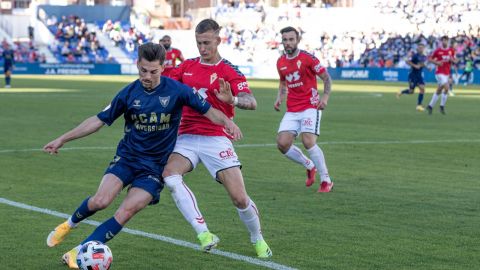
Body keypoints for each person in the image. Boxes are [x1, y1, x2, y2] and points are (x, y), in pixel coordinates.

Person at [43, 42, 242, 269]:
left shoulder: (178, 91)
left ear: (163, 67)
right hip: (127, 158)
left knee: (126, 211)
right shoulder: (128, 93)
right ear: (138, 65)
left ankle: (77, 253)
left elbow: (210, 112)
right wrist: (63, 138)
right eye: (143, 70)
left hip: (155, 167)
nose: (147, 76)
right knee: (101, 200)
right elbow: (98, 121)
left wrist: (227, 122)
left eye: (153, 71)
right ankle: (69, 224)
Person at [163, 19, 272, 258]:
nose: (203, 48)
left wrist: (232, 100)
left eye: (207, 43)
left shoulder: (228, 70)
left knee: (239, 198)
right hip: (187, 136)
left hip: (216, 137)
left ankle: (257, 238)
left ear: (218, 41)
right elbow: (163, 83)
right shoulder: (187, 66)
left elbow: (251, 102)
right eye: (199, 43)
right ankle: (204, 233)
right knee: (170, 175)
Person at [274, 26, 333, 193]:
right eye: (285, 40)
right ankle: (309, 165)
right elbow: (283, 82)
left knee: (308, 141)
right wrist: (280, 97)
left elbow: (326, 78)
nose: (288, 43)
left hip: (310, 106)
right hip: (292, 109)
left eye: (291, 39)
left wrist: (325, 98)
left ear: (297, 40)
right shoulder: (280, 62)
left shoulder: (308, 59)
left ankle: (326, 180)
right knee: (282, 144)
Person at [427, 36, 458, 115]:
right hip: (439, 73)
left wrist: (453, 60)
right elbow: (429, 59)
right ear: (441, 41)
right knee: (447, 87)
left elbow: (456, 60)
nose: (445, 42)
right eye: (443, 41)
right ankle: (441, 106)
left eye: (446, 41)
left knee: (439, 90)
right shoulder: (438, 51)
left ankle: (430, 106)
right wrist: (436, 63)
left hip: (446, 73)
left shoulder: (451, 51)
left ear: (448, 41)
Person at [396, 43, 428, 111]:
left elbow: (422, 64)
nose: (421, 49)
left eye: (422, 48)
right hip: (412, 75)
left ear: (424, 49)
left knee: (422, 89)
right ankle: (401, 92)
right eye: (419, 48)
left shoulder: (424, 57)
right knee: (411, 91)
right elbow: (407, 61)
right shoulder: (415, 56)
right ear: (417, 48)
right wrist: (415, 65)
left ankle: (419, 105)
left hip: (419, 76)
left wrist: (427, 68)